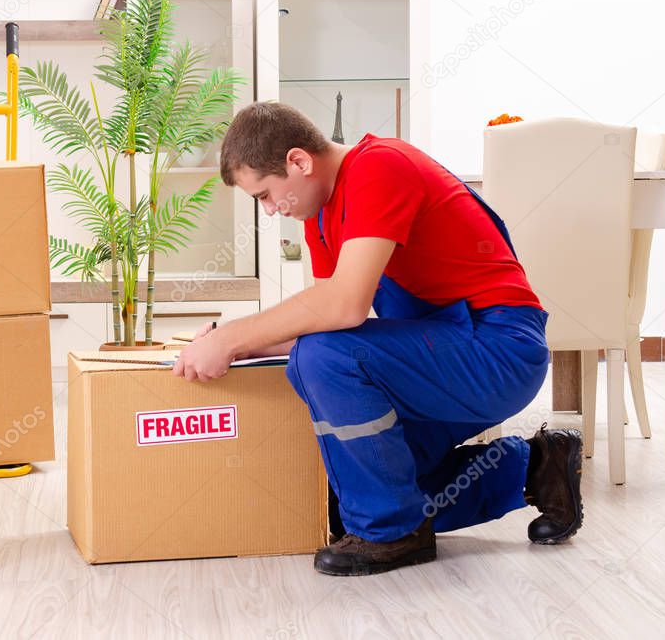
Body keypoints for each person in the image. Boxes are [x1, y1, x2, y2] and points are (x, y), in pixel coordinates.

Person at [172, 102, 583, 576]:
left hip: (497, 350)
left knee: (325, 367)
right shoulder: (320, 214)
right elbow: (329, 323)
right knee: (356, 492)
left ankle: (391, 533)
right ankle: (536, 468)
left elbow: (342, 309)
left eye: (266, 195)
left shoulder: (380, 167)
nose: (269, 211)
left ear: (299, 162)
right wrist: (232, 344)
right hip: (436, 356)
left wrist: (233, 338)